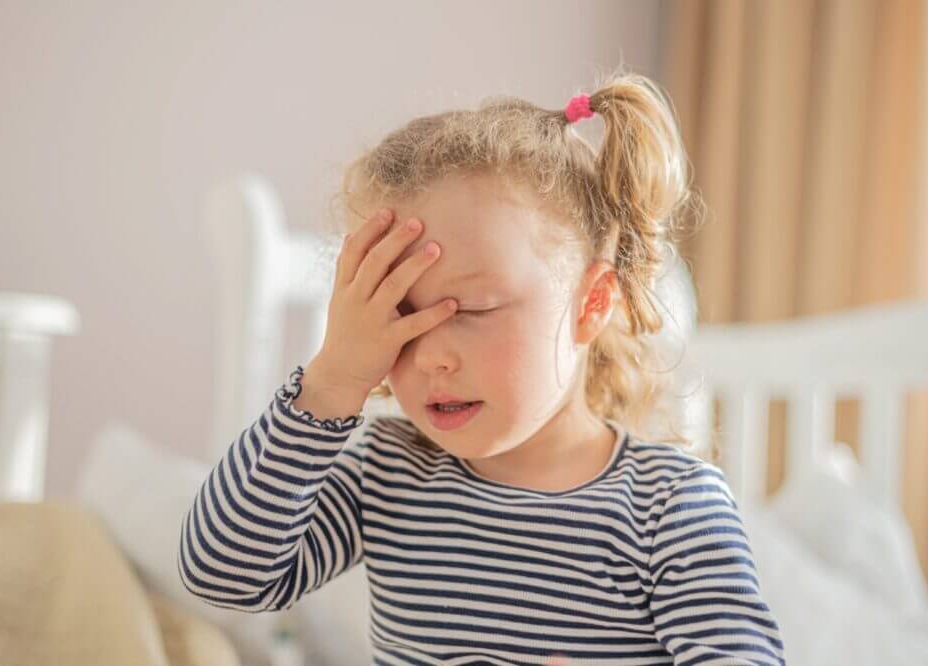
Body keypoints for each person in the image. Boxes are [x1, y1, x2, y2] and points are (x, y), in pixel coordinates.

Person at [178, 69, 786, 665]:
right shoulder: (387, 473)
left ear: (592, 303)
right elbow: (221, 575)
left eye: (472, 308)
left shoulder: (671, 507)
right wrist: (332, 379)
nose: (432, 355)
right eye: (399, 315)